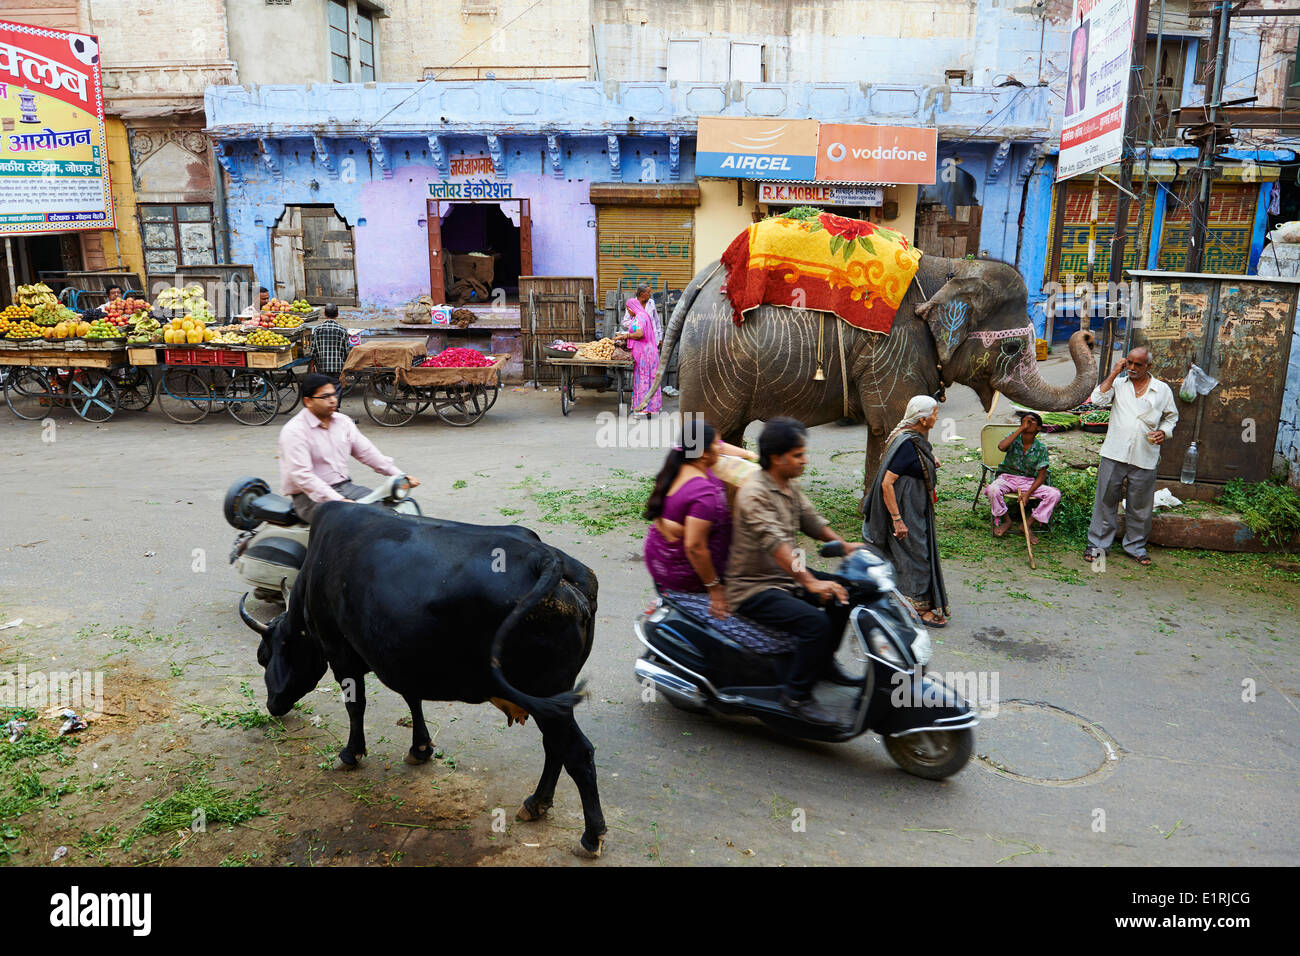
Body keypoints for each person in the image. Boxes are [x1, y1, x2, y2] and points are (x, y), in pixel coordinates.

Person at [727, 418, 863, 726]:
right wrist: (811, 582)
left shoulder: (787, 484)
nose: (805, 460)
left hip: (784, 576)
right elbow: (777, 546)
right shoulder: (754, 494)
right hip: (754, 587)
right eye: (798, 455)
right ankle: (796, 696)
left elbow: (812, 521)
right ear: (777, 458)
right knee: (814, 623)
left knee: (847, 591)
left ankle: (822, 663)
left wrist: (845, 545)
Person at [643, 419, 757, 619]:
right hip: (687, 578)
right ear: (704, 453)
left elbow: (723, 448)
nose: (720, 448)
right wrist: (715, 590)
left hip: (659, 561)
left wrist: (749, 455)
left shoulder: (685, 461)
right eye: (715, 445)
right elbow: (695, 548)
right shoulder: (702, 495)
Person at [279, 373, 420, 523]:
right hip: (310, 498)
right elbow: (303, 476)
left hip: (345, 487)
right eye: (325, 396)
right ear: (308, 401)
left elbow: (368, 453)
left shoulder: (343, 422)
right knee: (363, 521)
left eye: (334, 394)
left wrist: (399, 475)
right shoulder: (294, 431)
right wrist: (339, 500)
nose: (333, 400)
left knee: (391, 511)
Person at [1085, 347, 1178, 567]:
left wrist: (1163, 432)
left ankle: (1136, 546)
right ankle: (1097, 546)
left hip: (1145, 453)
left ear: (1148, 366)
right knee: (1105, 501)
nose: (1133, 369)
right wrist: (1114, 372)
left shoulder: (1162, 390)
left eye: (1139, 365)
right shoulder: (1118, 384)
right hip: (1114, 452)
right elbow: (1097, 399)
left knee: (1140, 505)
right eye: (1130, 364)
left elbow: (1171, 417)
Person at [863, 395, 950, 627]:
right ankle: (918, 607)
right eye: (933, 413)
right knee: (918, 556)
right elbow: (886, 483)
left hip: (913, 506)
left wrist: (931, 459)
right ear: (922, 420)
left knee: (912, 554)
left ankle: (906, 600)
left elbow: (912, 460)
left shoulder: (908, 438)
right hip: (905, 510)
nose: (937, 417)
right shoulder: (907, 445)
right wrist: (898, 520)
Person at [987, 411, 1061, 544]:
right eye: (1025, 421)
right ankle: (1007, 521)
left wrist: (1028, 493)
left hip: (1028, 482)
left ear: (1038, 428)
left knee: (1054, 494)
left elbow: (1041, 476)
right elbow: (1001, 446)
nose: (1028, 423)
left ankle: (1027, 524)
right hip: (1007, 478)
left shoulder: (1041, 448)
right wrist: (1021, 428)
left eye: (1032, 421)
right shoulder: (1014, 438)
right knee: (993, 490)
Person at [615, 284, 661, 417]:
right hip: (651, 352)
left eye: (628, 308)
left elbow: (639, 334)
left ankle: (641, 409)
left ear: (632, 307)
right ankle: (651, 408)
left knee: (642, 380)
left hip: (644, 355)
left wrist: (625, 336)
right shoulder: (644, 315)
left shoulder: (639, 317)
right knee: (651, 380)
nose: (628, 311)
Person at [310, 304, 351, 379]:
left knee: (324, 388)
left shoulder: (317, 330)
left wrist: (312, 366)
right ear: (337, 314)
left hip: (322, 368)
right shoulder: (342, 330)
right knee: (336, 388)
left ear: (325, 314)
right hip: (338, 368)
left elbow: (313, 352)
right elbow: (347, 352)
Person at [1065, 23, 1088, 117]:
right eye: (1076, 64)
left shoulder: (1083, 91)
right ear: (1071, 68)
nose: (1078, 68)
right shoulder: (1068, 95)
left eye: (1081, 63)